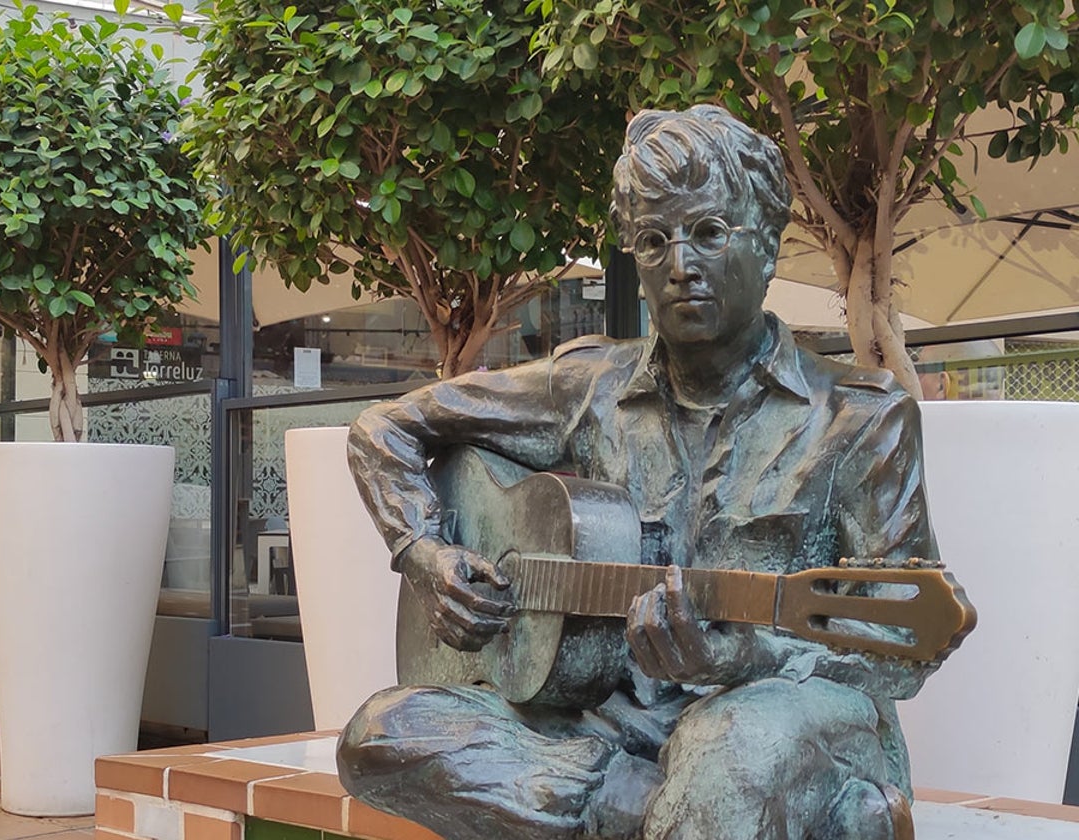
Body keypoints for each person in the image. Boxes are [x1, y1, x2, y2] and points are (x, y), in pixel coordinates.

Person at [337, 105, 946, 840]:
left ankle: (712, 805)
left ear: (768, 247)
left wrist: (747, 654)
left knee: (727, 747)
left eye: (710, 232)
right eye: (655, 241)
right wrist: (426, 554)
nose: (681, 264)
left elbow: (901, 653)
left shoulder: (860, 419)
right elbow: (386, 429)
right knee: (383, 733)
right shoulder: (587, 384)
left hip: (776, 711)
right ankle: (660, 808)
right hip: (611, 721)